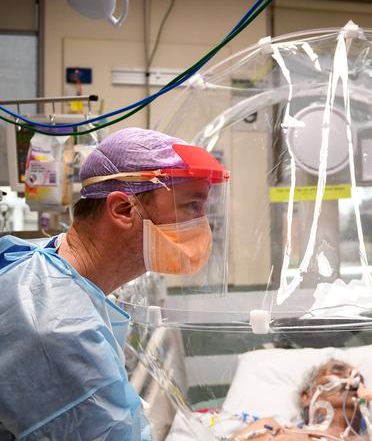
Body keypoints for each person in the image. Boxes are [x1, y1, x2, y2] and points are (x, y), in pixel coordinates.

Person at [0, 128, 229, 440]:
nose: (203, 223)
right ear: (123, 210)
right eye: (191, 205)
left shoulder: (44, 265)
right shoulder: (62, 330)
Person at [231, 359, 372, 441]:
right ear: (307, 397)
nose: (350, 378)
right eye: (337, 370)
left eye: (357, 377)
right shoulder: (269, 431)